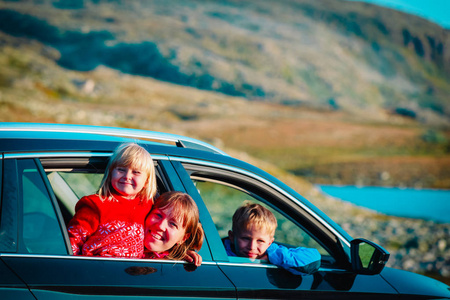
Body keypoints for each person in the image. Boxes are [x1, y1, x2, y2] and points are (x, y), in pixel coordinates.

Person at [67, 142, 157, 258]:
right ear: (110, 174)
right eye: (121, 169)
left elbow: (161, 236)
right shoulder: (95, 205)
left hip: (132, 271)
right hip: (99, 267)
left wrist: (179, 253)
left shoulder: (148, 205)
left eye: (136, 172)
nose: (127, 176)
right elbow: (73, 241)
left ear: (146, 181)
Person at [223, 202, 321, 275]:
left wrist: (270, 257)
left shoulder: (273, 254)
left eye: (260, 241)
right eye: (246, 238)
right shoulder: (219, 255)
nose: (252, 246)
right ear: (232, 236)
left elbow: (314, 259)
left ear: (270, 243)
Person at [143, 191, 204, 266]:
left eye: (172, 224)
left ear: (183, 238)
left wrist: (179, 255)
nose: (160, 226)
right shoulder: (125, 241)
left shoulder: (176, 265)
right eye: (158, 215)